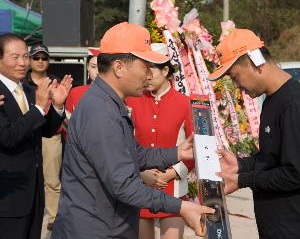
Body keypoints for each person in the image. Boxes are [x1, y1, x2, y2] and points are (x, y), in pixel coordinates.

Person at [51, 22, 213, 239]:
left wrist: (177, 153)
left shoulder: (110, 103)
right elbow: (125, 185)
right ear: (119, 67)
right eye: (145, 66)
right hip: (95, 230)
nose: (148, 75)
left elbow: (134, 153)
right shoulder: (101, 113)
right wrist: (182, 208)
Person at [208, 29, 300, 239]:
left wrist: (243, 179)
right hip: (282, 226)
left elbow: (296, 174)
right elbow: (273, 158)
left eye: (235, 77)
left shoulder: (295, 106)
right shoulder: (273, 99)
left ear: (254, 61)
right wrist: (241, 165)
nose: (236, 86)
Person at [0, 33, 72, 239]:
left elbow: (45, 130)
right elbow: (8, 137)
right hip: (8, 196)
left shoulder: (29, 91)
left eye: (25, 56)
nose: (23, 63)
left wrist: (57, 106)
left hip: (33, 192)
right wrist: (39, 108)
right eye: (15, 57)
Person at [126, 43, 194, 239]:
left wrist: (171, 173)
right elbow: (126, 144)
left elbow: (194, 149)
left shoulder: (184, 103)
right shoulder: (133, 100)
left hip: (173, 186)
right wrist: (140, 172)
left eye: (151, 70)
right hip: (140, 185)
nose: (146, 76)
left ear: (165, 70)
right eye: (143, 70)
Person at [25, 44, 63, 231]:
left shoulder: (55, 81)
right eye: (36, 57)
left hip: (51, 136)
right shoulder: (22, 81)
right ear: (30, 60)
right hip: (27, 135)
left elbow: (61, 110)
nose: (40, 61)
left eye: (44, 58)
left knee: (52, 179)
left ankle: (53, 218)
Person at [65, 48, 99, 114]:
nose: (97, 72)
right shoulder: (75, 93)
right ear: (87, 67)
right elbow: (68, 122)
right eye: (93, 66)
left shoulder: (119, 93)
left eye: (101, 67)